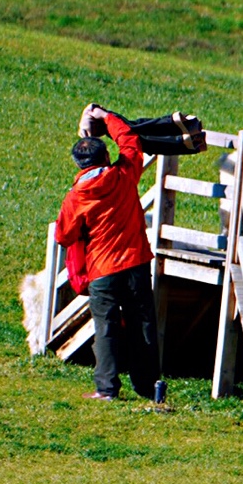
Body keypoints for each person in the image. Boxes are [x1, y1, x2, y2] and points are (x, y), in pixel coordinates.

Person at [55, 104, 159, 402]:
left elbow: (64, 234)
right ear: (106, 157)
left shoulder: (76, 197)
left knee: (107, 328)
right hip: (136, 263)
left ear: (79, 165)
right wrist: (105, 117)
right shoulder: (124, 174)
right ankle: (148, 387)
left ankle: (107, 389)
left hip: (103, 271)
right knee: (144, 326)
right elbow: (130, 141)